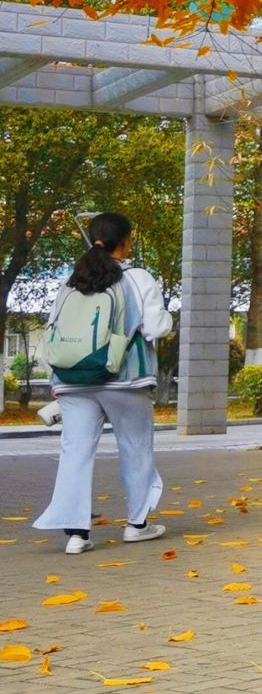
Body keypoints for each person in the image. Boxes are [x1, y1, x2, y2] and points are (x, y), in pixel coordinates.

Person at [33, 213, 174, 554]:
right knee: (135, 447)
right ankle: (137, 525)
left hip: (73, 379)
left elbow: (54, 331)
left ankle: (77, 535)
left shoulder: (72, 281)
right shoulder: (137, 278)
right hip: (123, 379)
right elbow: (156, 328)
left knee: (74, 452)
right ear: (126, 242)